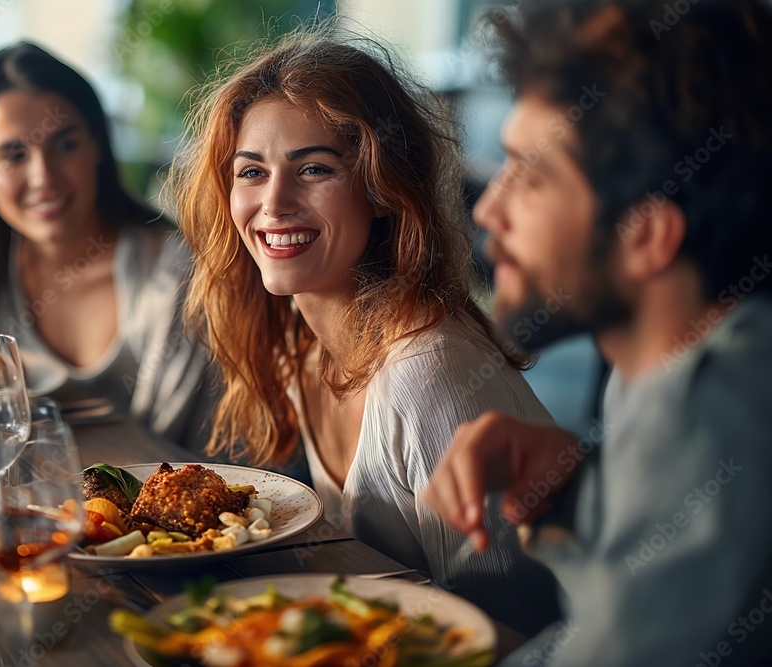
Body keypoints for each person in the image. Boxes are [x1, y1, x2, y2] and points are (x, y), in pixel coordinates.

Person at [174, 31, 561, 636]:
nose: (274, 203)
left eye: (315, 169)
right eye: (252, 171)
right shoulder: (298, 348)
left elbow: (514, 629)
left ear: (383, 189)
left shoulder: (428, 373)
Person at [425, 0, 772, 664]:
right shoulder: (685, 368)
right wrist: (575, 492)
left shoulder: (714, 412)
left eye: (532, 175)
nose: (490, 208)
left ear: (646, 235)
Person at [0, 42, 215, 453]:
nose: (44, 177)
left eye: (65, 145)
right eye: (14, 154)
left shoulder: (175, 274)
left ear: (98, 145)